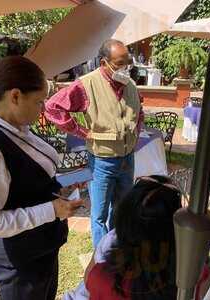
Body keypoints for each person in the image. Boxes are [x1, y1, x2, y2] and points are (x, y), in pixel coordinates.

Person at [0, 56, 84, 300]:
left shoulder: (17, 127)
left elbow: (29, 177)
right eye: (39, 102)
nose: (43, 109)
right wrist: (51, 211)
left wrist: (64, 183)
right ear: (15, 96)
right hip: (19, 265)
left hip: (41, 250)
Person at [45, 39, 144, 248]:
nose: (125, 69)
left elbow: (139, 112)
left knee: (122, 208)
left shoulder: (130, 85)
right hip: (102, 161)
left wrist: (135, 132)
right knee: (99, 214)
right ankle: (102, 259)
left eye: (127, 63)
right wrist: (80, 131)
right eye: (119, 64)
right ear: (103, 63)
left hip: (127, 158)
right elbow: (53, 108)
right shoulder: (86, 84)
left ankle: (119, 248)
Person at [84, 175, 210, 300]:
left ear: (122, 223)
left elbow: (89, 282)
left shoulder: (100, 279)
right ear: (176, 227)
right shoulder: (194, 272)